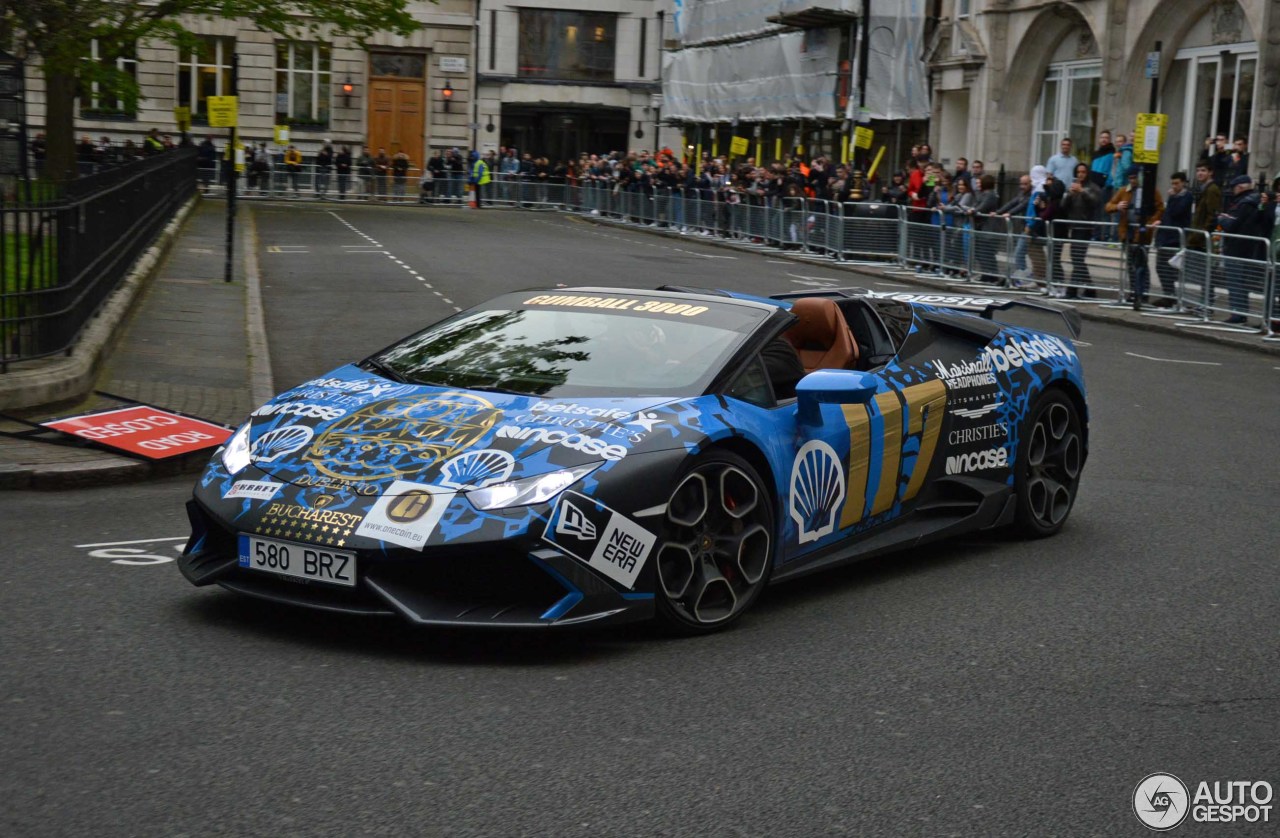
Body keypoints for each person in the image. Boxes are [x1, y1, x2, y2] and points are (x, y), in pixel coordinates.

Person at [1215, 175, 1270, 324]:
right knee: (1241, 283)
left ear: (1240, 187)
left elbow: (1233, 225)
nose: (1232, 191)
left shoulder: (1243, 203)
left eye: (1234, 187)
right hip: (1248, 248)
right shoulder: (1255, 201)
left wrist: (1222, 219)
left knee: (1236, 283)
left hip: (1237, 248)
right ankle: (1240, 313)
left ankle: (1238, 314)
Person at [1106, 166, 1164, 304]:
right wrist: (1117, 206)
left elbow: (1160, 207)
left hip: (1143, 232)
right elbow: (1108, 206)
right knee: (1131, 264)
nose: (1133, 180)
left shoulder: (1150, 191)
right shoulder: (1123, 191)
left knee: (1142, 263)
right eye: (1130, 178)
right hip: (1128, 232)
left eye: (1135, 177)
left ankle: (1143, 293)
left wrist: (1150, 222)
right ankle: (1133, 292)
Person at [1058, 163, 1102, 297]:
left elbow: (1095, 202)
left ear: (1087, 173)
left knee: (1077, 258)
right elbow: (1063, 207)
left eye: (1083, 172)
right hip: (1074, 226)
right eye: (1078, 172)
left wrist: (1082, 191)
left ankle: (1072, 289)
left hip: (1085, 227)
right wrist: (1069, 195)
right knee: (1076, 258)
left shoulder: (1092, 188)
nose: (1080, 174)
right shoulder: (1073, 187)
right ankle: (1090, 288)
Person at [1150, 171, 1192, 307]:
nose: (1174, 186)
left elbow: (1176, 212)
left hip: (1174, 238)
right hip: (1165, 236)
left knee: (1169, 268)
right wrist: (1160, 222)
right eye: (1172, 183)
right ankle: (1168, 294)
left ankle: (1171, 296)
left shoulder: (1186, 196)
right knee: (1160, 267)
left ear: (1183, 183)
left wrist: (1173, 198)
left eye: (1177, 183)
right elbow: (1168, 214)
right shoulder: (1174, 197)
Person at [997, 174, 1035, 284]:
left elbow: (1021, 206)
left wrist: (1009, 213)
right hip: (1024, 227)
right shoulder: (1021, 194)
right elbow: (1012, 203)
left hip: (1030, 228)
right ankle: (1022, 276)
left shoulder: (1031, 195)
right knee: (1020, 253)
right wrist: (998, 212)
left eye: (1025, 184)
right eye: (1021, 184)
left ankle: (1024, 277)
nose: (1022, 186)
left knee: (1019, 253)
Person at [970, 173, 1001, 283]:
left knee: (986, 253)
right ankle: (986, 273)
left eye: (980, 182)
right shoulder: (983, 194)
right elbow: (976, 205)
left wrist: (974, 211)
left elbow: (982, 208)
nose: (978, 185)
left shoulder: (990, 195)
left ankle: (991, 275)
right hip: (982, 228)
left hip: (989, 228)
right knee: (981, 252)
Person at [1189, 161, 1222, 251]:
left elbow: (1212, 214)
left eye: (1203, 170)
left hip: (1203, 238)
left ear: (1210, 173)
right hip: (1198, 235)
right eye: (1198, 171)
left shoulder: (1212, 189)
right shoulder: (1203, 188)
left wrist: (1202, 233)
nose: (1199, 173)